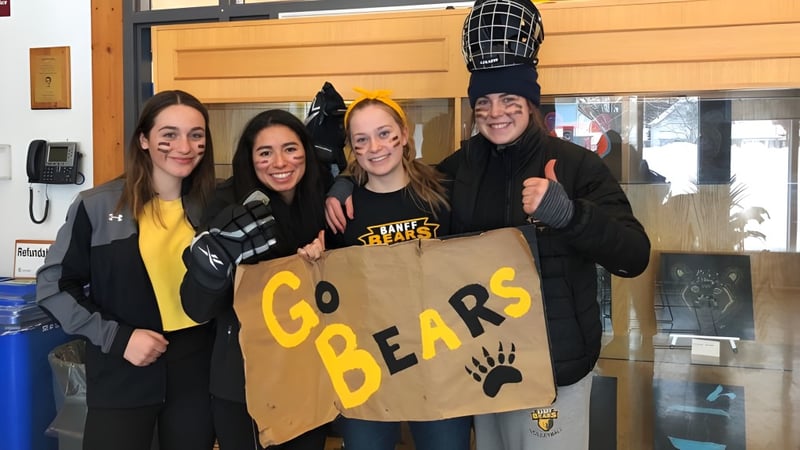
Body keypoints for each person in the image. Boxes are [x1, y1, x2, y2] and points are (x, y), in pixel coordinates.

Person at [326, 1, 651, 449]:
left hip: (555, 368)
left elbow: (634, 255)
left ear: (530, 102)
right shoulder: (460, 168)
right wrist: (346, 182)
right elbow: (394, 176)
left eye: (509, 99)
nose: (496, 112)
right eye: (484, 101)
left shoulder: (575, 165)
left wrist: (568, 214)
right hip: (479, 362)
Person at [36, 89, 218, 450]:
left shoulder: (216, 204)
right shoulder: (97, 206)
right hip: (122, 366)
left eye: (196, 135)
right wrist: (119, 338)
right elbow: (53, 287)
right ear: (144, 140)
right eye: (169, 134)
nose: (184, 146)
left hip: (197, 370)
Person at [326, 88, 472, 450]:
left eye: (384, 134)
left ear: (404, 135)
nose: (375, 147)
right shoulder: (343, 209)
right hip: (369, 363)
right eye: (362, 140)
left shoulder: (444, 193)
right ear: (352, 149)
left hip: (440, 357)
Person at [180, 109, 330, 450]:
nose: (280, 162)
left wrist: (325, 262)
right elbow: (196, 306)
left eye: (290, 149)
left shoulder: (324, 200)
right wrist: (218, 265)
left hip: (311, 373)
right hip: (242, 378)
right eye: (265, 152)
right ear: (250, 159)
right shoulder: (227, 205)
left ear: (306, 151)